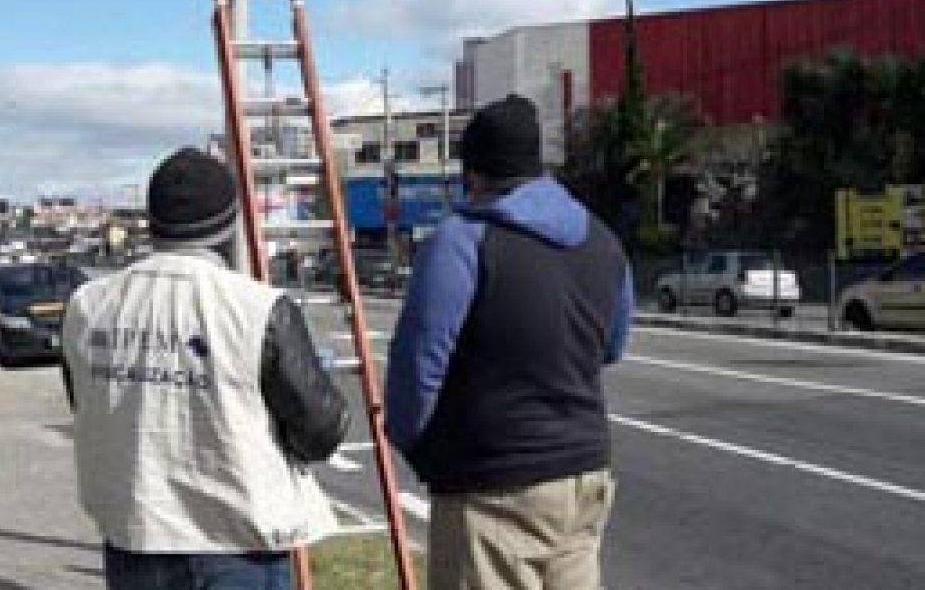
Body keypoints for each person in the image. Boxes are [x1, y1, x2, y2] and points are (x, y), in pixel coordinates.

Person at [61, 148, 349, 590]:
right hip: (237, 548)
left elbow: (85, 402)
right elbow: (321, 430)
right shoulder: (258, 309)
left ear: (152, 220)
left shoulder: (88, 305)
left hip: (135, 538)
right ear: (230, 222)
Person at [385, 94, 634, 590]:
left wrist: (420, 447)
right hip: (584, 472)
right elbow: (612, 345)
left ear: (473, 173)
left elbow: (418, 365)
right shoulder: (602, 241)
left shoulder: (461, 242)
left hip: (491, 483)